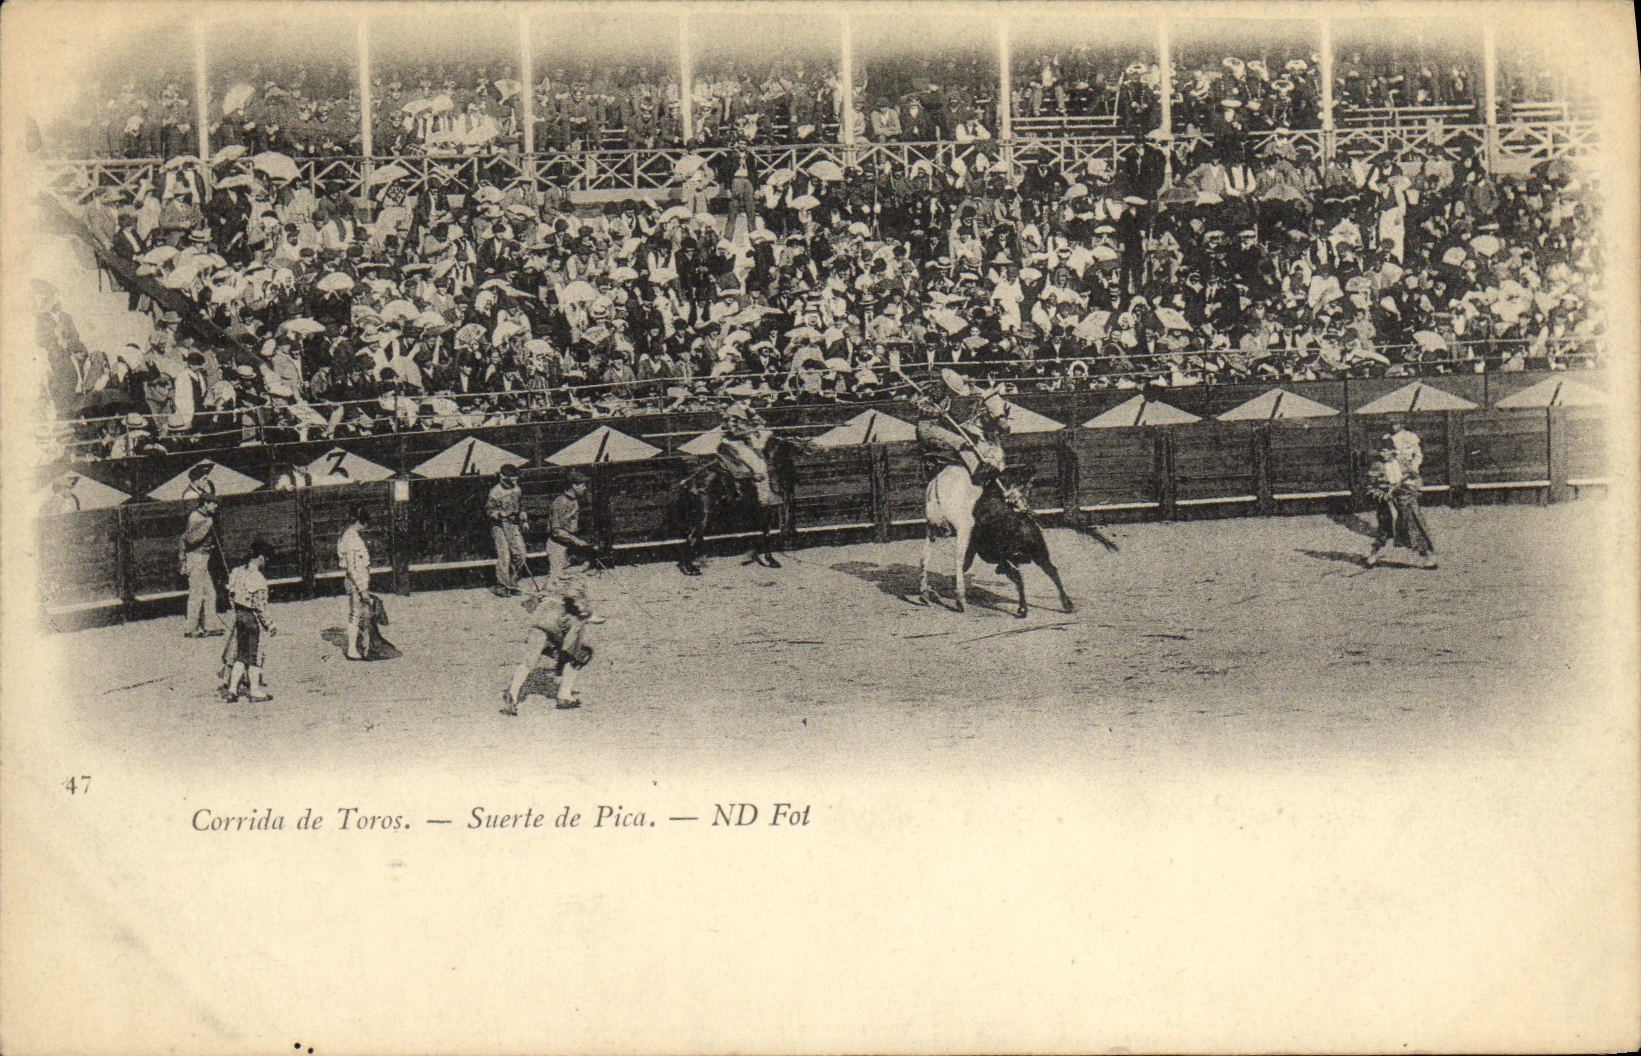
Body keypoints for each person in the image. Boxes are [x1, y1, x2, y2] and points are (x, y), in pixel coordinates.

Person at [501, 585, 596, 715]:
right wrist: (589, 612)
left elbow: (529, 603)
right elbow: (581, 607)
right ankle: (564, 696)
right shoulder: (577, 578)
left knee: (529, 662)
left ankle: (512, 693)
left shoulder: (553, 578)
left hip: (540, 617)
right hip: (560, 620)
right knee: (576, 656)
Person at [1365, 419, 1437, 569]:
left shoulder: (1403, 463)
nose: (1383, 454)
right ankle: (1373, 554)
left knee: (1413, 525)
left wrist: (1405, 487)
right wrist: (1380, 493)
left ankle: (1426, 557)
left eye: (1386, 451)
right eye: (1381, 451)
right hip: (1386, 501)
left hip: (1404, 498)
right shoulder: (1377, 466)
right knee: (1384, 528)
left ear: (1392, 451)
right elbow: (1370, 486)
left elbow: (1414, 479)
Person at [222, 540, 276, 702]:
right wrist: (270, 624)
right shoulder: (258, 578)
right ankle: (254, 691)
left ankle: (232, 690)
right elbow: (260, 607)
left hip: (239, 617)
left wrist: (238, 612)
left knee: (240, 655)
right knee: (254, 656)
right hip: (252, 619)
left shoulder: (237, 572)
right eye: (266, 558)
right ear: (260, 558)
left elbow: (231, 595)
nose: (266, 562)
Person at [179, 493, 225, 637]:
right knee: (196, 594)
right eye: (213, 503)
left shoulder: (204, 517)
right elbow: (190, 539)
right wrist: (207, 525)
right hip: (196, 557)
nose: (216, 506)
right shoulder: (196, 517)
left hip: (202, 558)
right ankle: (190, 629)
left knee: (210, 593)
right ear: (205, 503)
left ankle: (209, 626)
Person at [716, 402, 779, 506]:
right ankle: (762, 497)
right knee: (758, 465)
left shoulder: (744, 415)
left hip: (744, 443)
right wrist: (753, 430)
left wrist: (753, 415)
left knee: (762, 458)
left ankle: (766, 493)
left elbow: (763, 422)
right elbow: (735, 433)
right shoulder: (731, 419)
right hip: (734, 444)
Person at [546, 470, 597, 589]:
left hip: (569, 545)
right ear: (574, 485)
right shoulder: (560, 502)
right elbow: (556, 531)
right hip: (558, 546)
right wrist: (577, 541)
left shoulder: (574, 501)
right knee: (557, 582)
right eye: (583, 485)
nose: (584, 488)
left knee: (581, 572)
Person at [486, 463, 528, 596]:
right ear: (504, 477)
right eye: (512, 478)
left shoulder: (517, 489)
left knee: (521, 554)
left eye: (515, 478)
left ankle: (513, 581)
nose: (515, 480)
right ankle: (502, 585)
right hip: (499, 526)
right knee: (504, 556)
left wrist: (524, 518)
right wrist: (498, 514)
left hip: (513, 524)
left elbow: (521, 505)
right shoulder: (495, 492)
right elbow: (489, 510)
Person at [337, 505, 373, 659]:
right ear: (360, 521)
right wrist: (362, 589)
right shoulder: (351, 538)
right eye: (365, 523)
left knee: (359, 613)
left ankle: (360, 646)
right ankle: (352, 649)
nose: (366, 527)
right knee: (356, 613)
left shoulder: (349, 536)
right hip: (355, 582)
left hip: (356, 581)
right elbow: (352, 568)